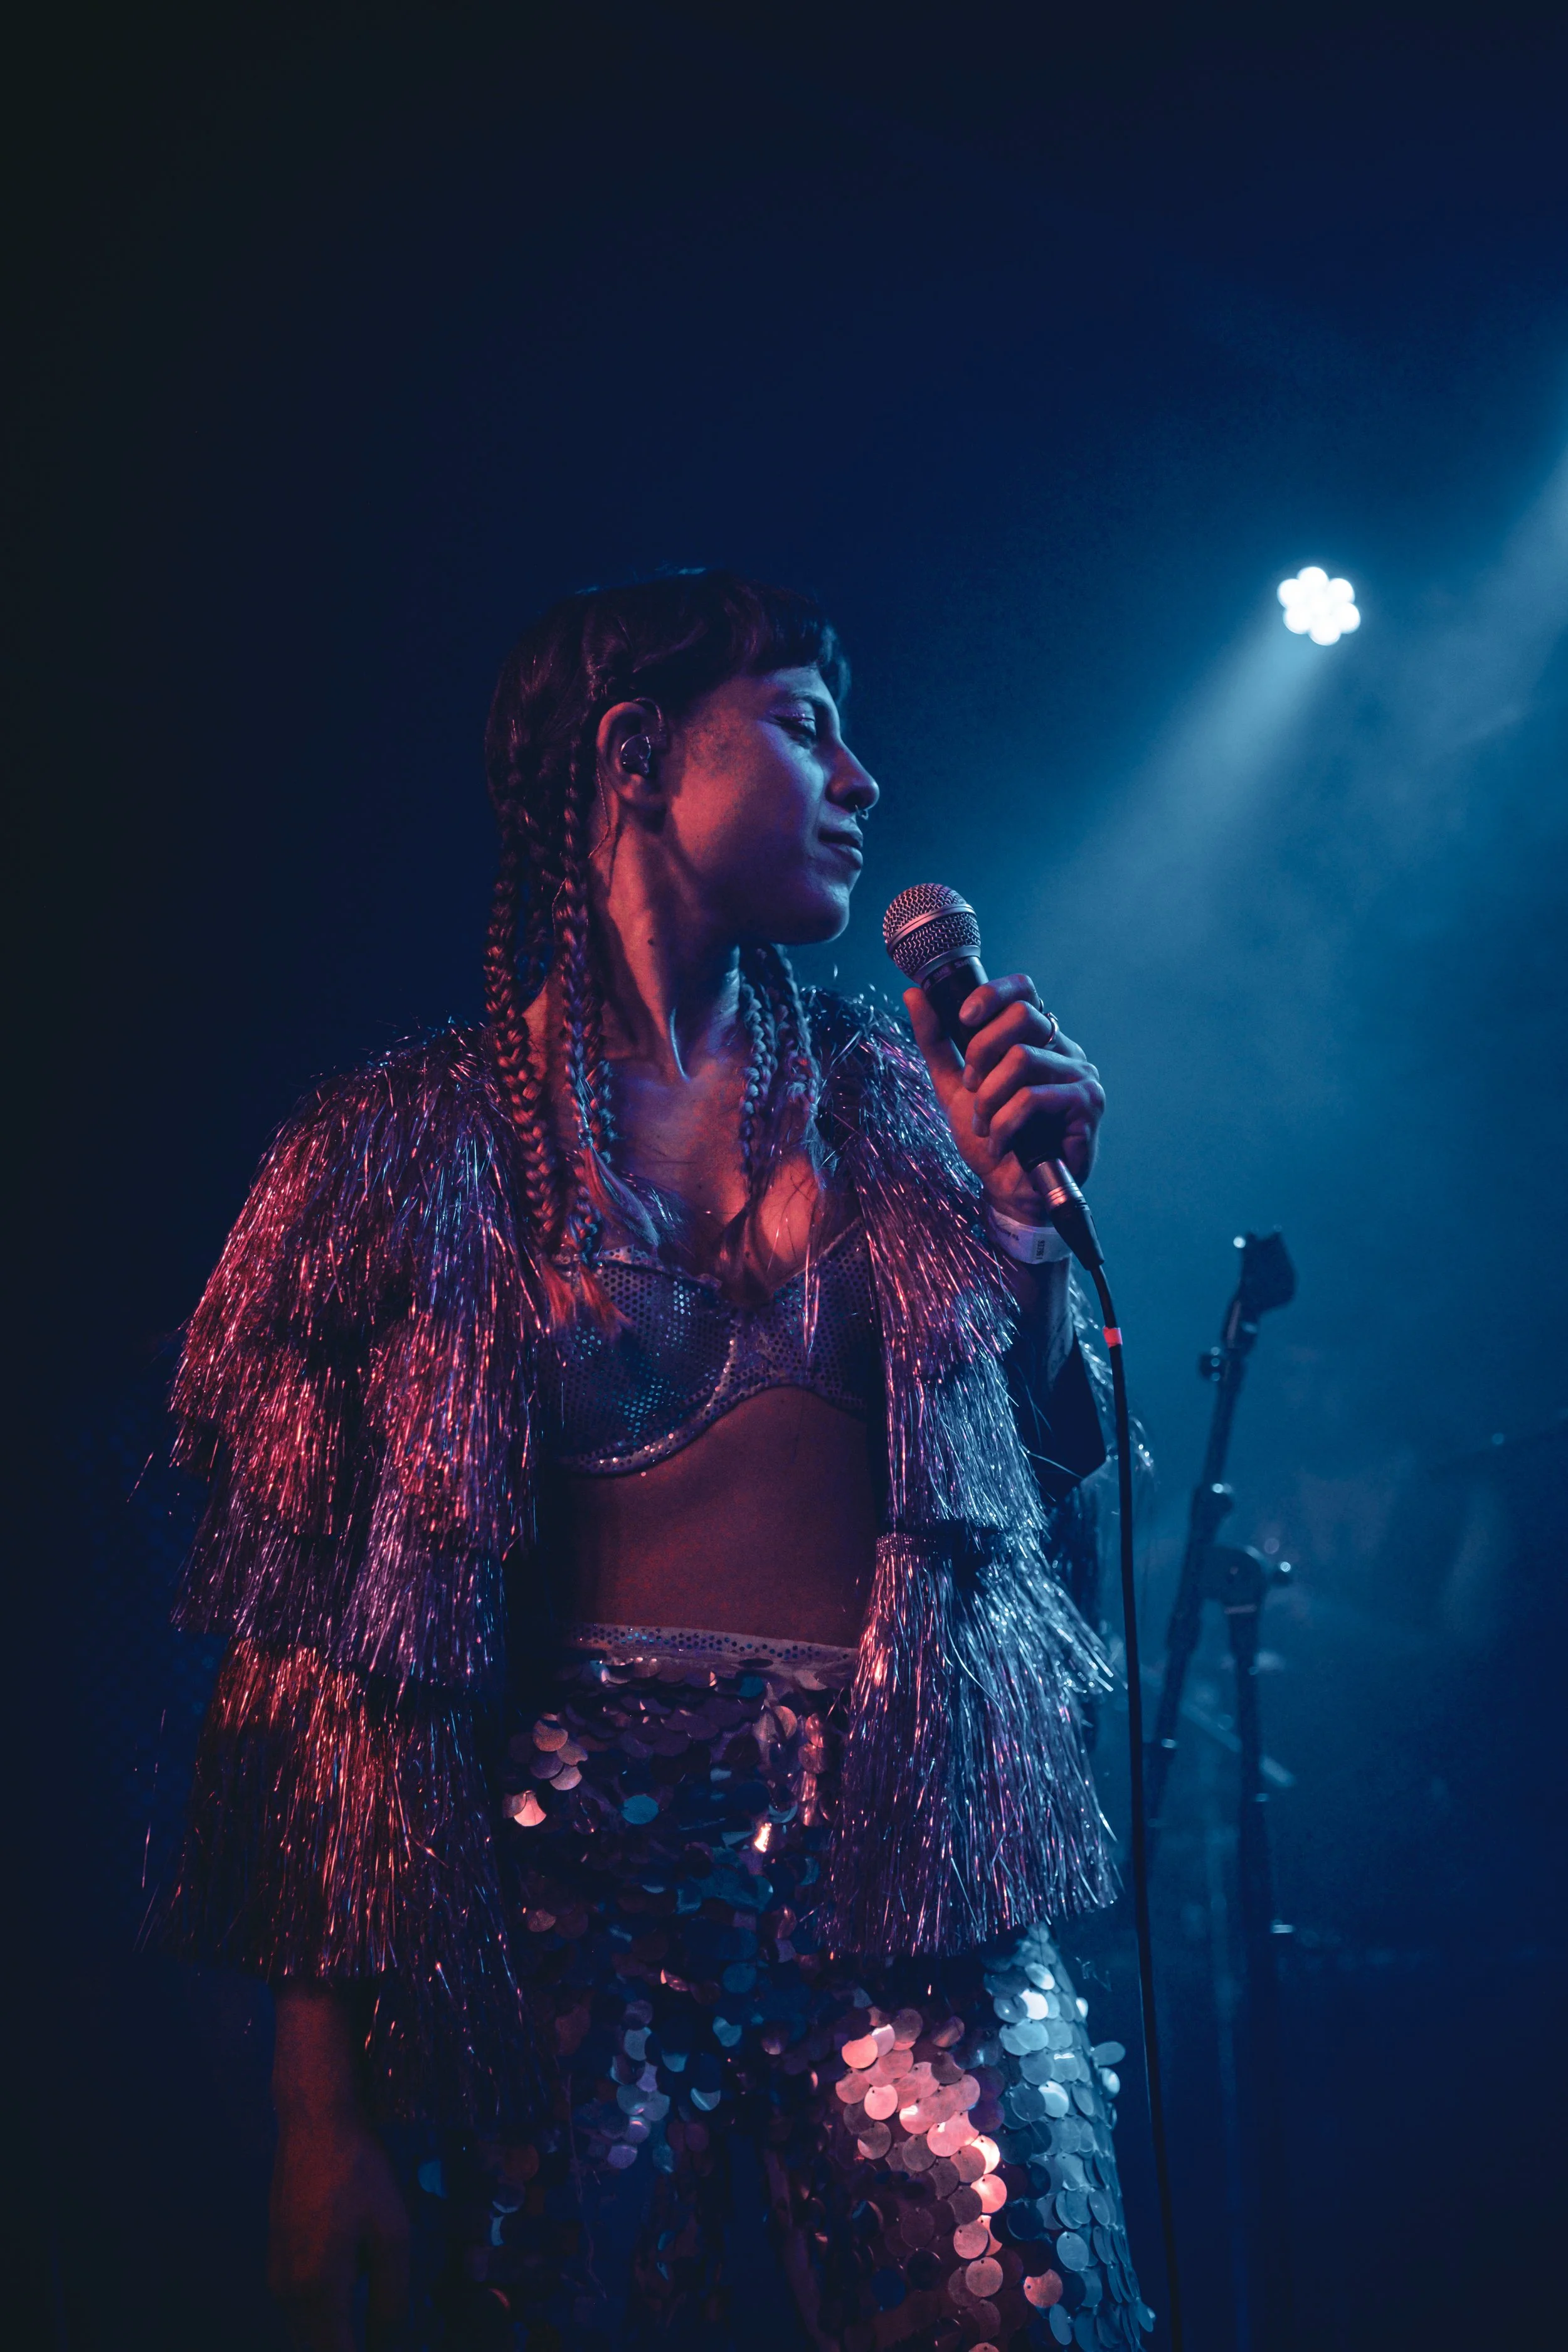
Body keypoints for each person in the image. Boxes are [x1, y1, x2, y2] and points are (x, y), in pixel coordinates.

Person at [167, 569, 1150, 2351]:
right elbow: (303, 1678)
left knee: (1032, 2307)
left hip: (897, 1893)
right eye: (802, 725)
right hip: (563, 1916)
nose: (862, 780)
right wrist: (318, 2124)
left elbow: (1028, 1494)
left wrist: (1009, 1216)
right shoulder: (395, 1159)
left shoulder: (893, 1103)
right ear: (634, 753)